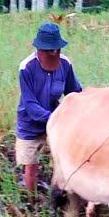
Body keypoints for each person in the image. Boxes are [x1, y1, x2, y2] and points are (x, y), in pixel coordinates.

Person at [15, 22, 82, 193]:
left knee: (63, 159)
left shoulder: (65, 64)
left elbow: (74, 91)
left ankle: (60, 192)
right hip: (31, 123)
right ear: (39, 49)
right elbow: (30, 104)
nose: (55, 53)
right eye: (49, 50)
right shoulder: (26, 68)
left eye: (57, 50)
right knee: (31, 166)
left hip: (57, 120)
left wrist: (85, 106)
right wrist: (54, 118)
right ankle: (32, 201)